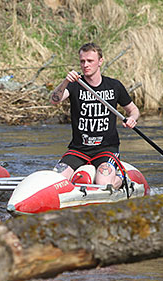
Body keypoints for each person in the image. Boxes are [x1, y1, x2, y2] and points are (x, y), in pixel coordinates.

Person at [49, 42, 140, 189]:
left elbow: (133, 110)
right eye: (82, 61)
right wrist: (66, 81)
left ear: (100, 61)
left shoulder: (114, 86)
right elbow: (54, 100)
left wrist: (132, 119)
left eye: (90, 61)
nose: (85, 65)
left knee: (103, 183)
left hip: (107, 149)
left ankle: (121, 179)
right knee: (56, 180)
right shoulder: (74, 84)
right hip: (78, 149)